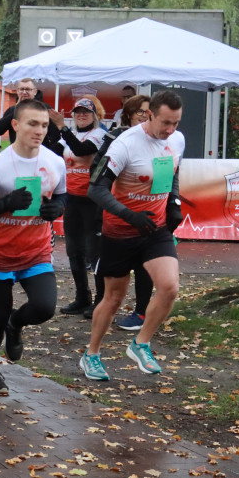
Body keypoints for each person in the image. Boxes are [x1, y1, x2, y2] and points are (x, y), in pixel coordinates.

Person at [80, 91, 185, 381]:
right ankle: (92, 353)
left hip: (156, 229)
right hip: (120, 231)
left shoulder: (175, 139)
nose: (170, 130)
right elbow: (96, 189)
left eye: (176, 123)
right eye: (165, 123)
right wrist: (129, 215)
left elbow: (174, 170)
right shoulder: (124, 144)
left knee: (170, 287)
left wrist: (174, 201)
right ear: (149, 114)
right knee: (113, 298)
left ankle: (141, 344)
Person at [0, 99, 66, 393]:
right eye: (33, 124)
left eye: (45, 125)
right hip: (0, 254)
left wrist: (56, 210)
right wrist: (5, 203)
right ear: (16, 125)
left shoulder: (54, 161)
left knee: (45, 307)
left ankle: (16, 323)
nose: (39, 131)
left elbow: (62, 196)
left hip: (36, 252)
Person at [90, 94, 156, 332]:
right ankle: (102, 306)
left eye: (147, 111)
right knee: (107, 263)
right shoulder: (117, 137)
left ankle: (141, 313)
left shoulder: (159, 139)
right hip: (114, 211)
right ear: (128, 114)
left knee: (145, 264)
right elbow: (96, 170)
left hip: (148, 210)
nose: (143, 115)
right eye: (139, 111)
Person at [58, 96, 106, 317]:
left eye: (86, 112)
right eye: (77, 112)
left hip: (92, 201)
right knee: (74, 250)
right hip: (72, 199)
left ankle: (101, 300)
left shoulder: (99, 134)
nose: (81, 115)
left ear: (95, 115)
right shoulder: (70, 134)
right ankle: (82, 296)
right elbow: (52, 150)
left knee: (94, 251)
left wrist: (62, 129)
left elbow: (80, 150)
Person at [0, 78, 64, 155]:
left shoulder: (45, 109)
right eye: (22, 89)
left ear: (35, 92)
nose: (24, 92)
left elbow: (55, 136)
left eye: (28, 89)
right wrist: (17, 110)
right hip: (17, 155)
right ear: (17, 91)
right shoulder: (12, 110)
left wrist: (48, 154)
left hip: (39, 156)